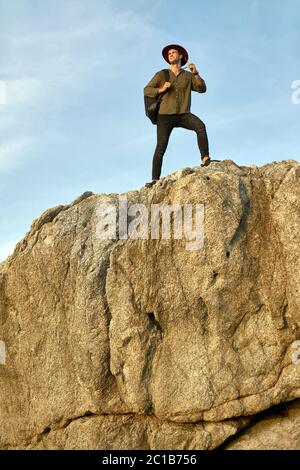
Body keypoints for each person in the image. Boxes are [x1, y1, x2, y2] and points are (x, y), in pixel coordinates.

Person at [144, 44, 210, 188]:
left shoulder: (188, 75)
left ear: (180, 56)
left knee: (200, 126)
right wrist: (161, 89)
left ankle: (205, 159)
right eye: (169, 54)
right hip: (165, 115)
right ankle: (155, 180)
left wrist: (196, 73)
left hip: (183, 114)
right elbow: (147, 90)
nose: (171, 55)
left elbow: (202, 89)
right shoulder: (162, 74)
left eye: (173, 53)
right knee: (161, 146)